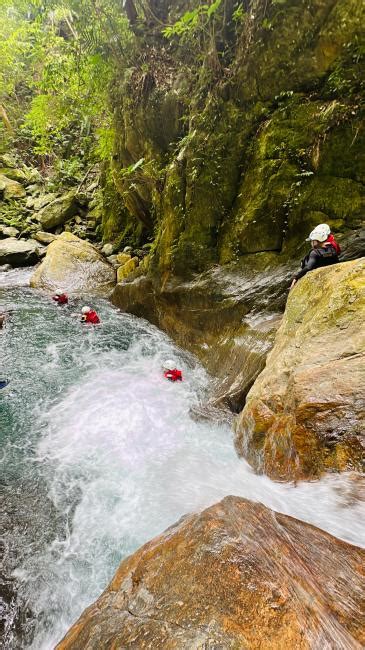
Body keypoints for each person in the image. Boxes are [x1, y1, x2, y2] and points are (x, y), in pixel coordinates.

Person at [290, 224, 340, 290]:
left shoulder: (315, 253)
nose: (311, 242)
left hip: (317, 278)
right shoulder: (333, 248)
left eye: (312, 240)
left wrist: (296, 277)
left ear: (316, 241)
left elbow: (308, 267)